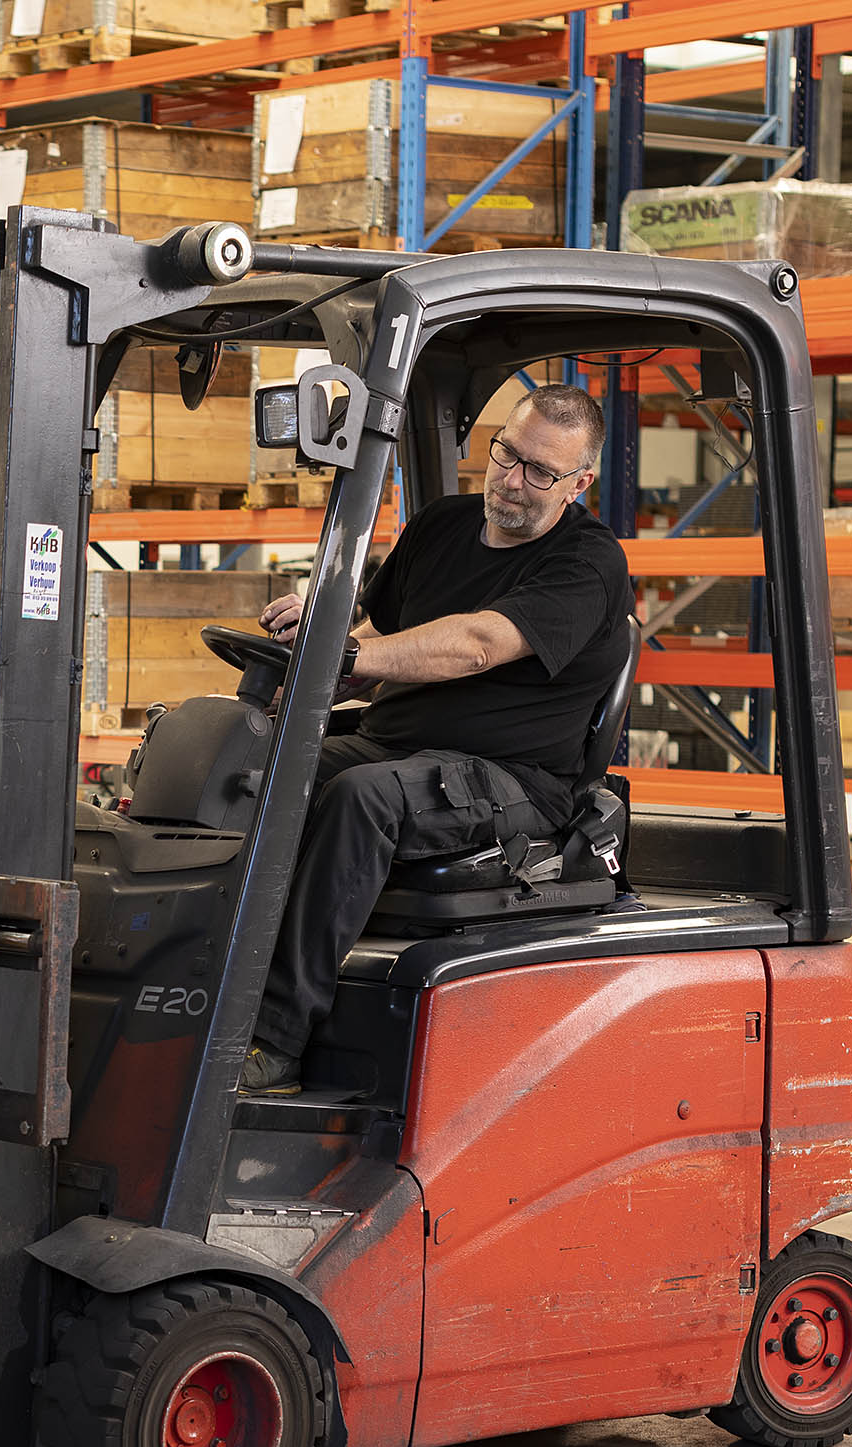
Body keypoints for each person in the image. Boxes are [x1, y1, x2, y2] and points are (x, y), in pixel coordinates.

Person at [243, 383, 633, 1095]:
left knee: (364, 798)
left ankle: (274, 1038)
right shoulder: (439, 526)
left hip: (515, 780)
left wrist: (347, 652)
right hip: (398, 745)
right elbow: (376, 637)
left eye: (539, 472)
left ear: (579, 483)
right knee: (247, 765)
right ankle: (200, 985)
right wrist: (308, 671)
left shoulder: (589, 564)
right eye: (507, 454)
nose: (512, 481)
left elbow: (478, 644)